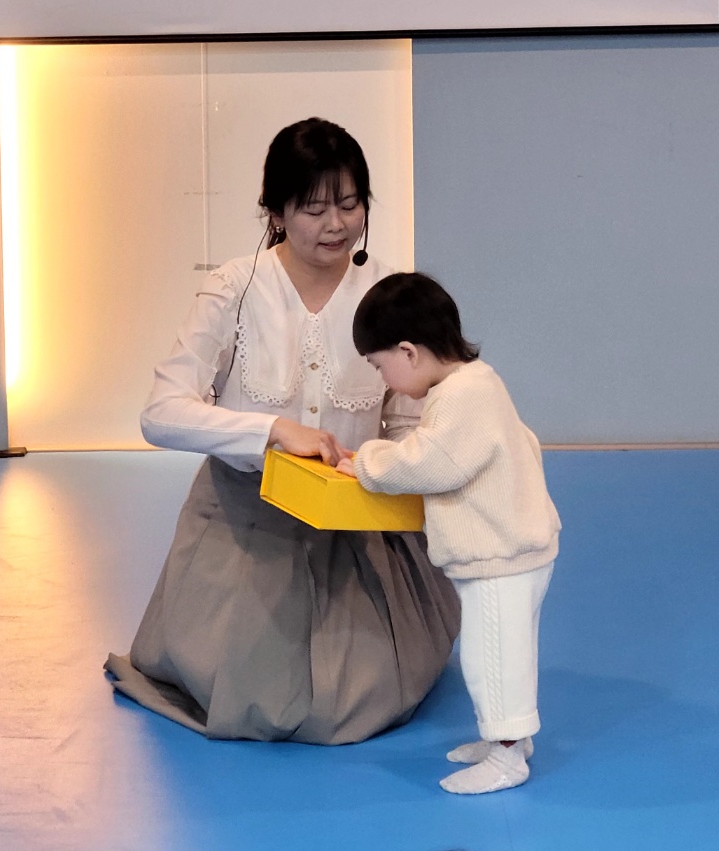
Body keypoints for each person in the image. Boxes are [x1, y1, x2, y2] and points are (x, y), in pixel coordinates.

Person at [105, 119, 459, 743]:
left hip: (357, 521)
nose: (336, 225)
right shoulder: (234, 288)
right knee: (250, 689)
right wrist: (270, 430)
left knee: (360, 695)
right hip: (245, 519)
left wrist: (387, 465)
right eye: (314, 209)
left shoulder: (390, 295)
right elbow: (161, 413)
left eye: (350, 205)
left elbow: (411, 418)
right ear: (276, 211)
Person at [339, 272, 561, 794]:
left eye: (380, 366)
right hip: (516, 549)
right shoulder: (478, 382)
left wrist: (367, 461)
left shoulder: (461, 396)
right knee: (507, 650)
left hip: (499, 557)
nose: (384, 379)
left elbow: (431, 463)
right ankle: (509, 739)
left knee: (491, 659)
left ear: (408, 352)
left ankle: (507, 758)